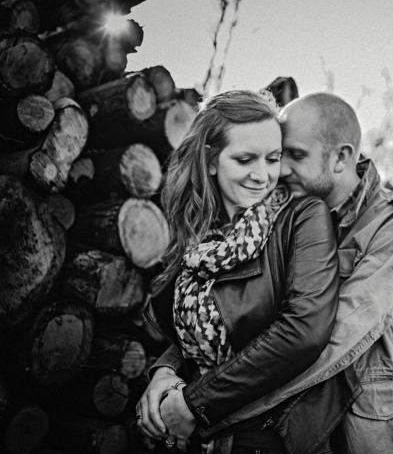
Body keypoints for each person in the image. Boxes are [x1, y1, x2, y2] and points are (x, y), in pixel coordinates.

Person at [137, 89, 360, 454]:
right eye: (245, 159)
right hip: (190, 439)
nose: (263, 176)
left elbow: (303, 331)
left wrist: (194, 403)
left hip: (265, 439)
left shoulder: (300, 218)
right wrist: (164, 373)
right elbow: (189, 338)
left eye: (272, 159)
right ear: (211, 161)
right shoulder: (198, 235)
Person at [216, 92, 393, 453]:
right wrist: (167, 371)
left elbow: (331, 336)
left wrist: (213, 406)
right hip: (284, 433)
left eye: (297, 155)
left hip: (361, 432)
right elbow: (220, 302)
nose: (281, 169)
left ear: (342, 157)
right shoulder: (280, 213)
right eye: (280, 154)